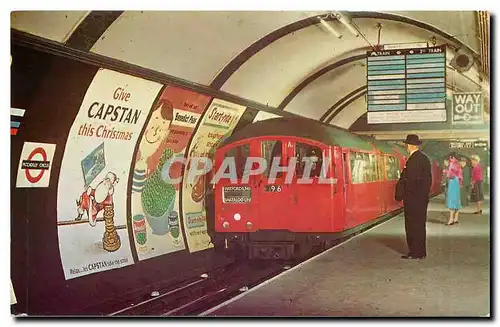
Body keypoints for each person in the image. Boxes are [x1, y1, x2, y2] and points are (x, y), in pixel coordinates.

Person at [396, 134, 432, 260]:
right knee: (420, 225)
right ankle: (420, 252)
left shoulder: (413, 160)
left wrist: (402, 194)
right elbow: (427, 180)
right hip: (421, 199)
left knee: (412, 226)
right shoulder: (424, 159)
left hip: (412, 199)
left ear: (409, 146)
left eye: (406, 145)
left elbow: (409, 180)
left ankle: (414, 252)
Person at [446, 153, 462, 225]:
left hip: (452, 182)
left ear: (454, 158)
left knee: (451, 200)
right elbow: (460, 176)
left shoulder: (452, 164)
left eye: (451, 157)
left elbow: (449, 175)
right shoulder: (459, 165)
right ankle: (456, 218)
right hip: (457, 182)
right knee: (456, 200)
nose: (450, 159)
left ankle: (451, 219)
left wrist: (446, 173)